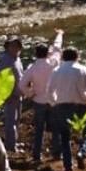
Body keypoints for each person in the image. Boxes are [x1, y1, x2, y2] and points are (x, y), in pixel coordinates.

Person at [45, 47, 86, 171]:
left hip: (62, 106)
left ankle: (68, 167)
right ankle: (81, 152)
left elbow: (49, 91)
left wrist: (54, 103)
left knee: (65, 136)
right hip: (80, 105)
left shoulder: (57, 70)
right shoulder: (83, 69)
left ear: (62, 57)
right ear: (77, 57)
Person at [18, 29, 64, 163]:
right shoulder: (54, 62)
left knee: (39, 129)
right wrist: (60, 34)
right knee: (56, 128)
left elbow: (21, 85)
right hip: (53, 100)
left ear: (36, 54)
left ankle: (37, 155)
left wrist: (31, 93)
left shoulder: (32, 68)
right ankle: (57, 154)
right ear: (47, 53)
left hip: (38, 101)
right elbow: (57, 48)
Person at [0, 36, 24, 152]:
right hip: (10, 95)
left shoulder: (17, 58)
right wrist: (6, 95)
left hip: (19, 94)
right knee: (10, 121)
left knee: (17, 121)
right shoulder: (5, 60)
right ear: (7, 47)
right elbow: (2, 78)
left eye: (17, 46)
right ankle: (10, 146)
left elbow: (21, 75)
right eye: (12, 46)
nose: (15, 48)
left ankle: (14, 142)